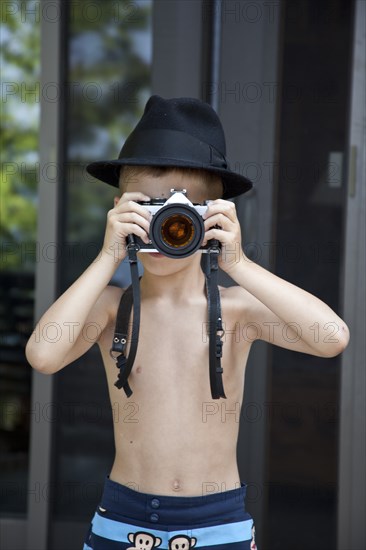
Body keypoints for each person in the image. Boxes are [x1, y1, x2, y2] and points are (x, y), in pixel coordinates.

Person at [26, 96, 350, 549]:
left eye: (182, 215)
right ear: (121, 209)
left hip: (219, 522)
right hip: (123, 519)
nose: (166, 227)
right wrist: (108, 255)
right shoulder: (111, 307)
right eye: (149, 208)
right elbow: (42, 355)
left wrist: (239, 264)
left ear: (212, 218)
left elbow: (332, 338)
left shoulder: (237, 309)